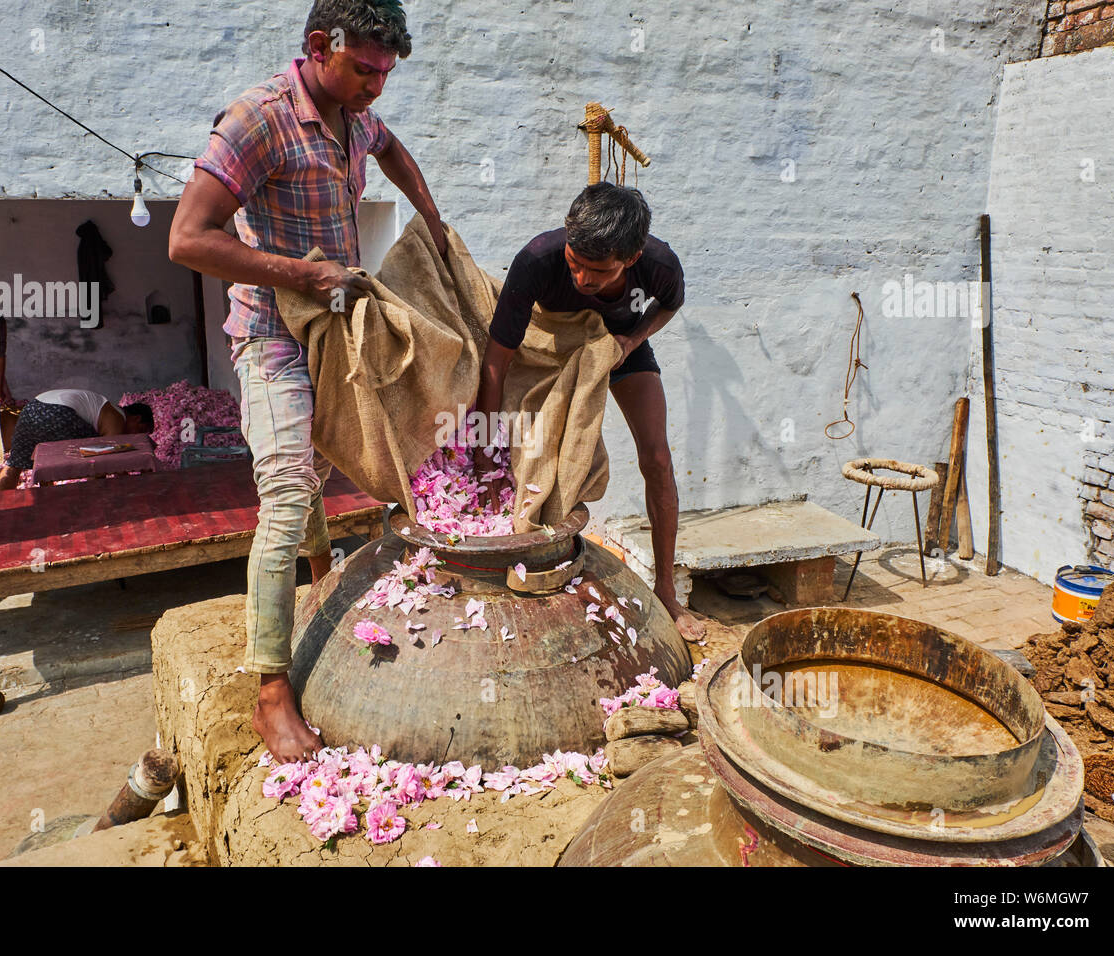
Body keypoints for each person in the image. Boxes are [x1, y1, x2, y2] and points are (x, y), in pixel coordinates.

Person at [168, 0, 444, 763]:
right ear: (320, 46)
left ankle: (322, 586)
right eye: (364, 70)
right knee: (288, 490)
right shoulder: (257, 118)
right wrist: (305, 275)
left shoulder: (357, 115)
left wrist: (434, 219)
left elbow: (391, 149)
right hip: (271, 336)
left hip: (335, 333)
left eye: (387, 75)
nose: (376, 89)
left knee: (320, 471)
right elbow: (188, 239)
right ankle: (271, 693)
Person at [473, 182, 709, 643]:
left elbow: (671, 304)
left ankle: (665, 590)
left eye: (597, 272)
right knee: (534, 451)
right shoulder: (538, 259)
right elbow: (496, 362)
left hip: (614, 346)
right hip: (550, 347)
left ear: (632, 257)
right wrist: (484, 444)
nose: (582, 279)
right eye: (575, 264)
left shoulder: (660, 265)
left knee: (657, 458)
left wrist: (631, 341)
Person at [0, 388, 154, 491]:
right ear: (136, 418)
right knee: (97, 456)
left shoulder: (101, 406)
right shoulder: (117, 417)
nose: (137, 436)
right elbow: (106, 461)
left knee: (14, 464)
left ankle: (0, 503)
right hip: (58, 412)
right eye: (141, 431)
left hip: (31, 410)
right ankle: (92, 501)